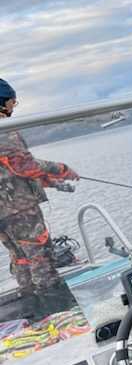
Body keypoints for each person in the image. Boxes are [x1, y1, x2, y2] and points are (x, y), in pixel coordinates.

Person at [0, 78, 80, 319]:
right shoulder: (4, 129)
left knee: (21, 258)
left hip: (4, 214)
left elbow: (9, 172)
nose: (14, 106)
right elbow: (25, 166)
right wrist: (61, 169)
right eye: (13, 101)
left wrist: (51, 182)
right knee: (40, 257)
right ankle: (57, 312)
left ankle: (33, 310)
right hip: (19, 211)